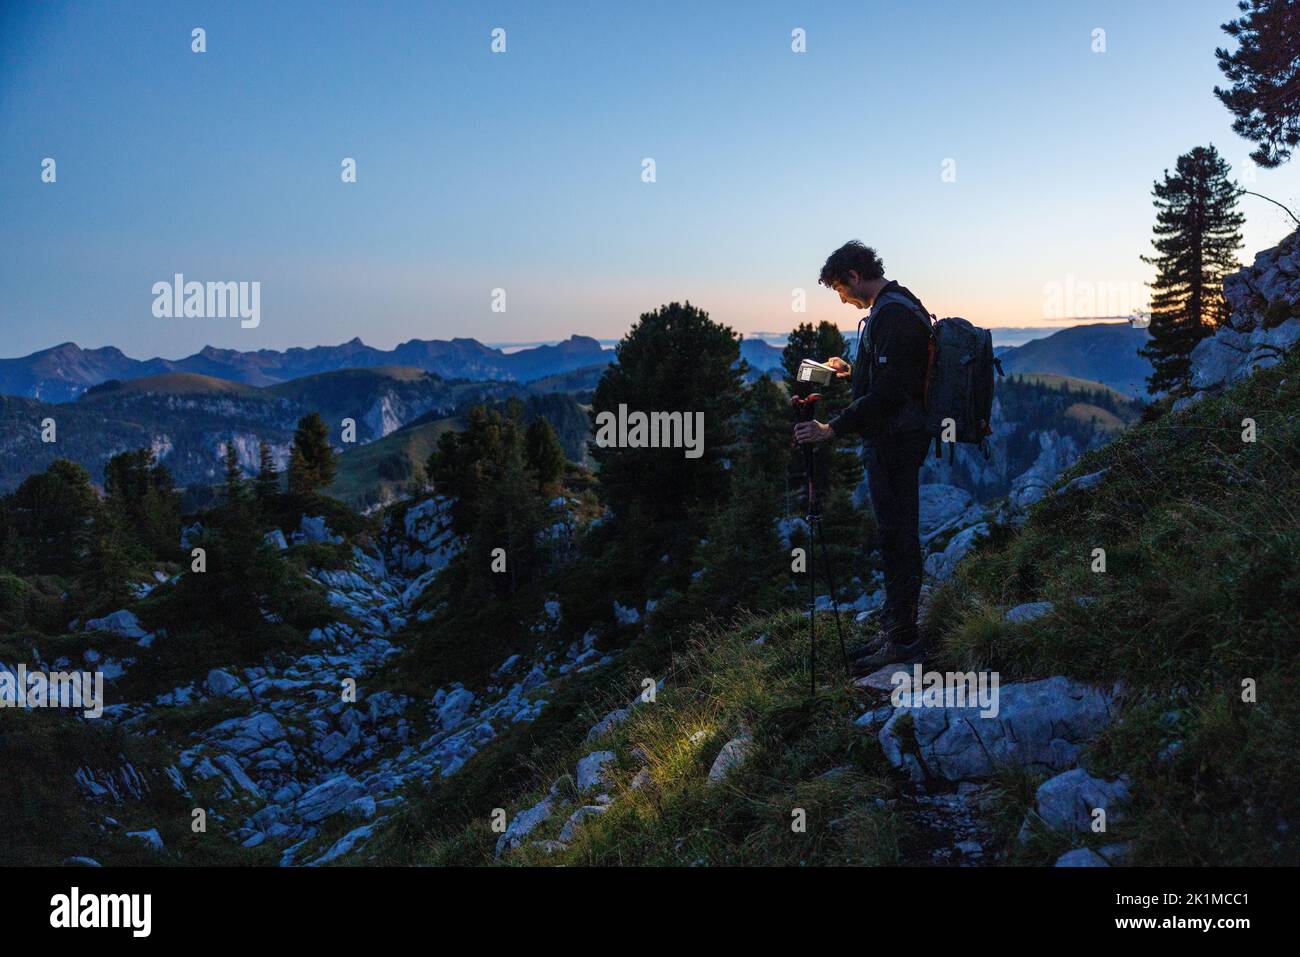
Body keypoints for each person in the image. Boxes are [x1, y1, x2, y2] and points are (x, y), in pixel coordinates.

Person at [793, 240, 933, 673]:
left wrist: (830, 428)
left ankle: (903, 640)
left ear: (854, 275)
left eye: (840, 288)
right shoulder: (898, 305)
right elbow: (895, 375)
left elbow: (891, 393)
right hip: (896, 437)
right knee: (895, 534)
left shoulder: (891, 313)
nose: (842, 298)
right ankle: (896, 629)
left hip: (896, 440)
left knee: (897, 536)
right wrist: (852, 371)